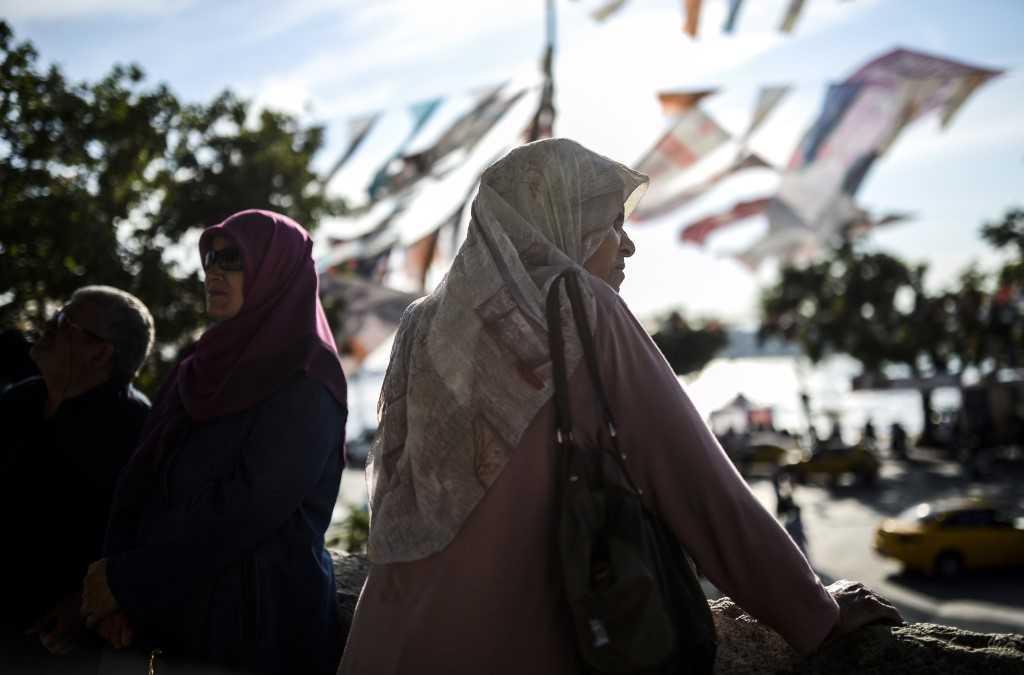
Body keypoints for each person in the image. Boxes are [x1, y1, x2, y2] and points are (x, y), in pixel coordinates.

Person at [339, 139, 901, 674]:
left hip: (385, 640)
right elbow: (693, 479)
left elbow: (394, 495)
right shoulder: (575, 306)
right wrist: (813, 613)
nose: (627, 245)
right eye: (611, 224)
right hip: (506, 646)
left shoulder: (423, 323)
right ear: (562, 220)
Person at [80, 210, 349, 675]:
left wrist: (128, 582)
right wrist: (118, 592)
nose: (215, 272)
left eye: (233, 259)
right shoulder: (199, 362)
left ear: (276, 269)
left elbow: (248, 509)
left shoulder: (307, 378)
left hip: (252, 629)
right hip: (162, 613)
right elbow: (143, 477)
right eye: (210, 259)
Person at [0, 286, 154, 670]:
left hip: (53, 643)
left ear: (100, 352)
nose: (48, 327)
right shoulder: (19, 401)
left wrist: (81, 607)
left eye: (66, 323)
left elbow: (142, 537)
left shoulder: (136, 430)